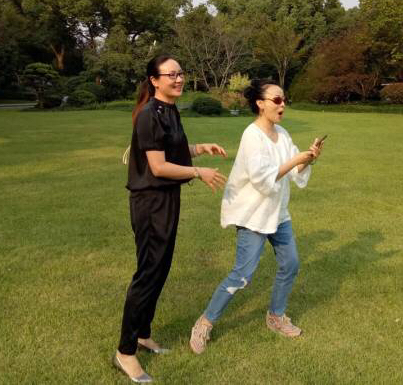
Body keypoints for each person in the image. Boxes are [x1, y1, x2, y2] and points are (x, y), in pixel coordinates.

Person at [114, 55, 228, 383]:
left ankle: (142, 334)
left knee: (160, 269)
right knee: (148, 273)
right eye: (171, 75)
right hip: (150, 202)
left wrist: (200, 148)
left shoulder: (169, 110)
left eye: (180, 73)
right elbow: (158, 166)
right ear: (154, 80)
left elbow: (172, 150)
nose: (178, 79)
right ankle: (125, 353)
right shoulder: (149, 114)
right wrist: (198, 172)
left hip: (167, 199)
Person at [189, 79, 324, 354]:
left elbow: (294, 171)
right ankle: (204, 323)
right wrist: (296, 160)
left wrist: (308, 158)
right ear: (260, 104)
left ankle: (276, 316)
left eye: (284, 99)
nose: (283, 104)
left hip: (278, 214)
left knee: (291, 263)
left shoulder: (282, 133)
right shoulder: (252, 136)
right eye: (277, 100)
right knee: (242, 275)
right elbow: (263, 179)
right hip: (253, 215)